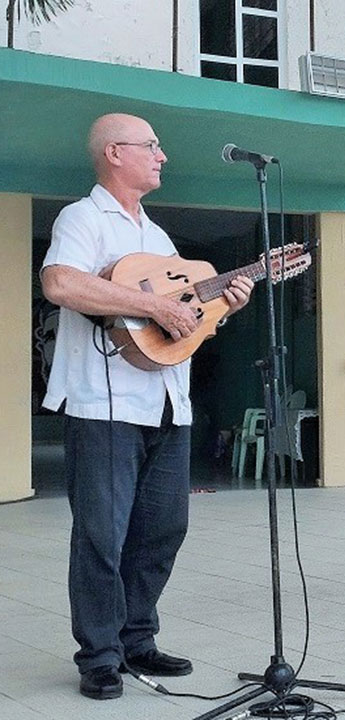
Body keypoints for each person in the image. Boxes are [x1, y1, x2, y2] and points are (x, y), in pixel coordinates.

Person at [41, 113, 254, 700]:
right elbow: (60, 283)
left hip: (166, 403)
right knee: (101, 536)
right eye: (152, 146)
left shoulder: (157, 238)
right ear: (115, 152)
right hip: (102, 405)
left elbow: (181, 324)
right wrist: (157, 308)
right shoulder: (82, 218)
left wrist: (223, 307)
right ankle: (99, 656)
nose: (162, 156)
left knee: (163, 528)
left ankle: (137, 637)